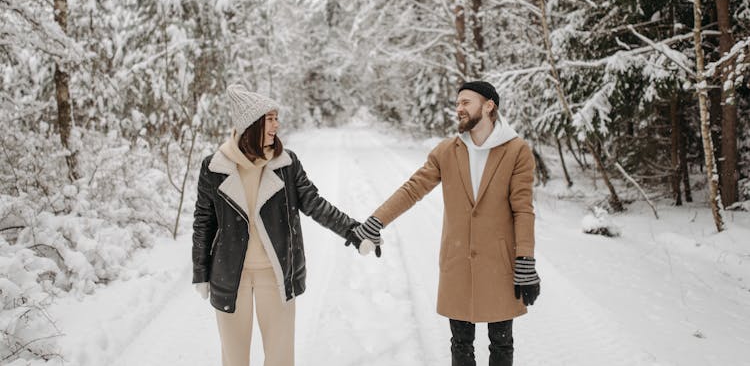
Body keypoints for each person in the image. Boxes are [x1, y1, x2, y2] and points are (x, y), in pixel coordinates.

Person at [348, 81, 540, 366]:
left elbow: (523, 209)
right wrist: (376, 221)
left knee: (501, 345)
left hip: (500, 264)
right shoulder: (447, 151)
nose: (459, 108)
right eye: (457, 103)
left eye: (466, 102)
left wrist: (525, 259)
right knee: (460, 345)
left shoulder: (516, 151)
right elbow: (412, 189)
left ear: (489, 106)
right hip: (458, 262)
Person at [192, 84, 362, 366]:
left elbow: (314, 203)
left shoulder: (286, 163)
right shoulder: (214, 167)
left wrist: (352, 230)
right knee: (234, 359)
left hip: (277, 272)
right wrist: (200, 272)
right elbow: (204, 222)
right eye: (270, 118)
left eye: (276, 118)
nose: (276, 125)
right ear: (251, 124)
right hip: (230, 275)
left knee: (280, 358)